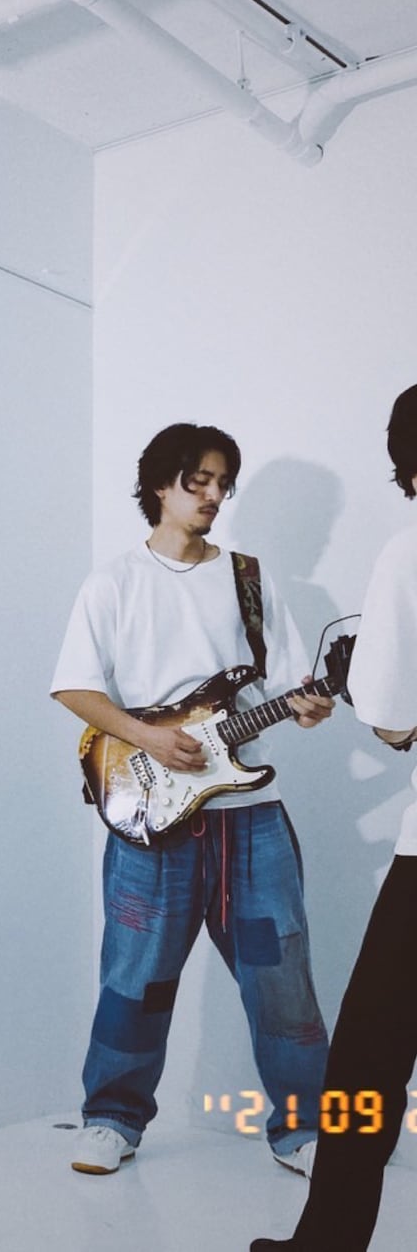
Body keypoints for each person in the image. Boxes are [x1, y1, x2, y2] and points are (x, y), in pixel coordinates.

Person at [51, 422, 334, 1179]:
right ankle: (111, 1119)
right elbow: (74, 687)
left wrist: (309, 705)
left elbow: (286, 687)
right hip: (152, 817)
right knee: (136, 977)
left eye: (221, 484)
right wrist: (147, 737)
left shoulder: (249, 579)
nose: (212, 495)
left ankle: (304, 1129)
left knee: (281, 979)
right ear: (159, 484)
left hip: (250, 821)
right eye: (197, 480)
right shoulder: (113, 582)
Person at [251, 384, 417, 1251]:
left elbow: (391, 716)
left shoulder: (409, 548)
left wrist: (362, 687)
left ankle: (328, 1244)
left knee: (369, 1058)